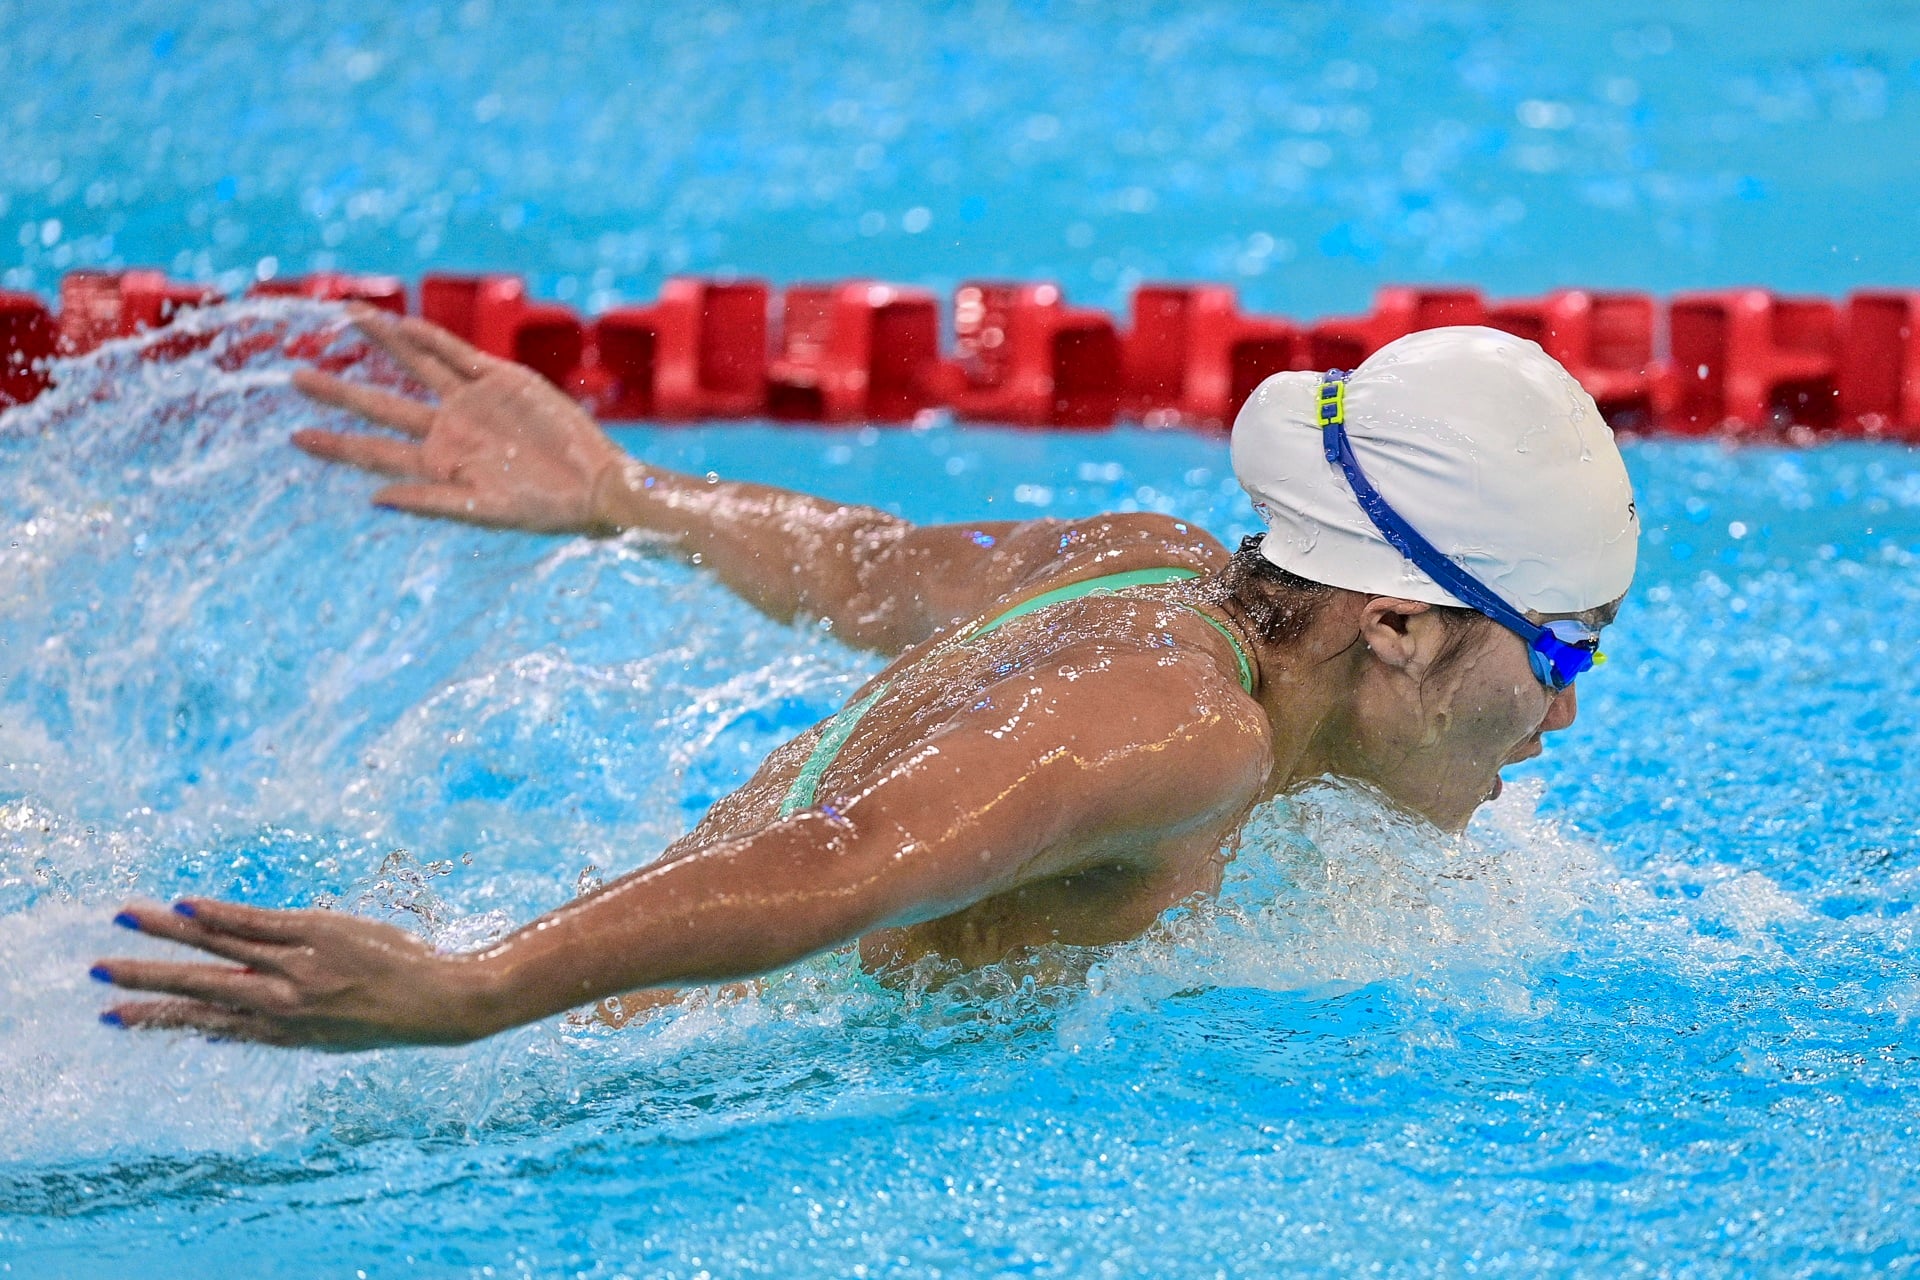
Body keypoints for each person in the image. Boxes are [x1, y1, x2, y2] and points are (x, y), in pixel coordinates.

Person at [91, 307, 1638, 1050]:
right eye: (1563, 647)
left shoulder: (1149, 563)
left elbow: (868, 567)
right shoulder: (1186, 731)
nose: (1563, 710)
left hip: (582, 979)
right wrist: (472, 990)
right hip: (584, 1054)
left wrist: (625, 493)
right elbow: (844, 860)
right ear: (1399, 624)